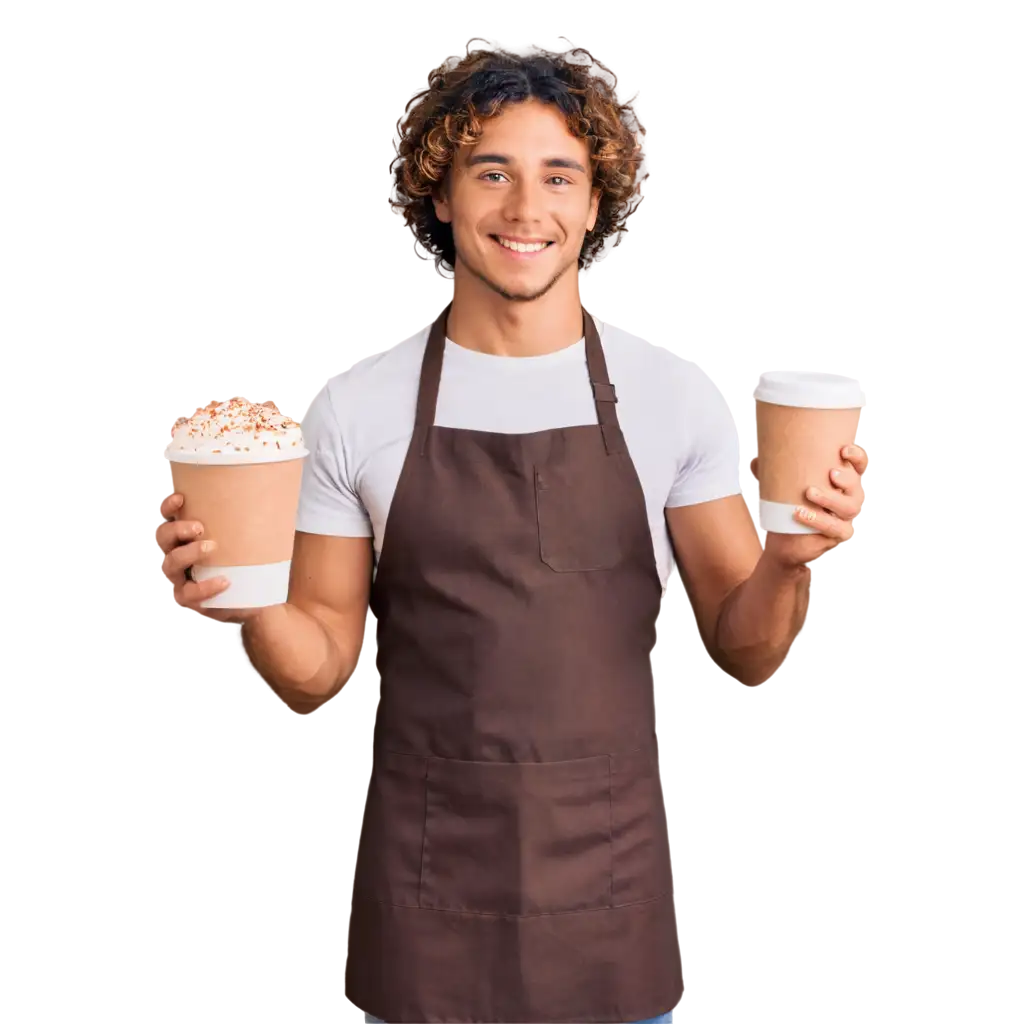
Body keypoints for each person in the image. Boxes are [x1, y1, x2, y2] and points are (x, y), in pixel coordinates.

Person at [151, 50, 867, 1024]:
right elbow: (315, 661)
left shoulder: (669, 396)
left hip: (609, 904)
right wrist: (240, 595)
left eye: (557, 175)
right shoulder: (355, 405)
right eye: (490, 170)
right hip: (428, 903)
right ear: (437, 195)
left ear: (593, 202)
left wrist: (786, 563)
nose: (526, 206)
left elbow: (743, 640)